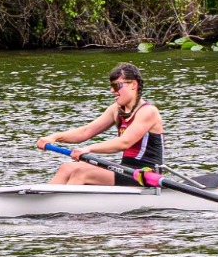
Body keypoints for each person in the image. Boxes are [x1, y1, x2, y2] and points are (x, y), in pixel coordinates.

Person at [36, 62, 164, 185]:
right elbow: (85, 132)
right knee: (67, 167)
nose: (112, 91)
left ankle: (62, 207)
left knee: (81, 173)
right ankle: (42, 201)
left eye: (116, 86)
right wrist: (54, 137)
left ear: (133, 85)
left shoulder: (148, 112)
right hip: (125, 169)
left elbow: (124, 142)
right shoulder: (116, 110)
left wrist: (88, 148)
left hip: (144, 174)